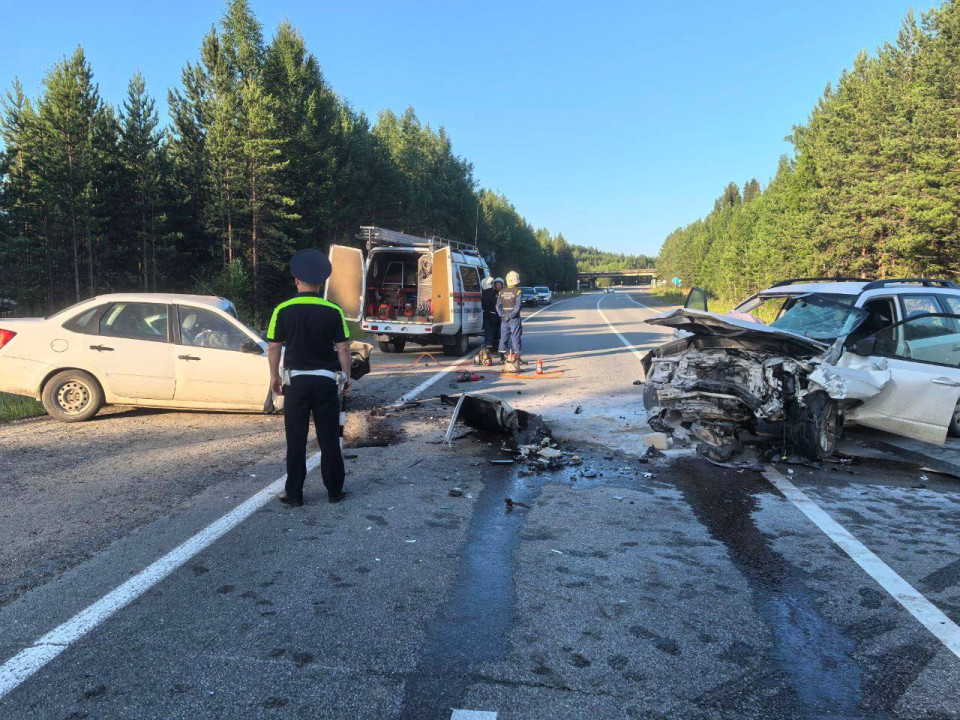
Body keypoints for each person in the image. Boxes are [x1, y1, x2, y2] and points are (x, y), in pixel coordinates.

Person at [267, 248, 353, 507]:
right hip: (326, 382)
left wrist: (274, 376)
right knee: (329, 438)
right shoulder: (334, 310)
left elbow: (274, 346)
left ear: (296, 280)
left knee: (296, 440)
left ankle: (294, 494)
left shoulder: (282, 309)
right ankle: (334, 491)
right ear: (321, 282)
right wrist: (346, 377)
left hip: (296, 383)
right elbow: (343, 347)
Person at [497, 271, 523, 361]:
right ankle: (517, 357)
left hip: (504, 318)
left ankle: (502, 358)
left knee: (503, 337)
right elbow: (518, 306)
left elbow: (497, 306)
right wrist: (511, 315)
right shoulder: (518, 291)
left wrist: (502, 315)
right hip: (514, 318)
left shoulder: (501, 291)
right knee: (515, 337)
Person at [480, 276, 503, 350]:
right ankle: (491, 345)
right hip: (492, 314)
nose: (497, 286)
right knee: (491, 330)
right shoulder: (491, 293)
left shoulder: (485, 293)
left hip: (493, 314)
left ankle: (491, 345)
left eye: (499, 284)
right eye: (496, 284)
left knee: (492, 330)